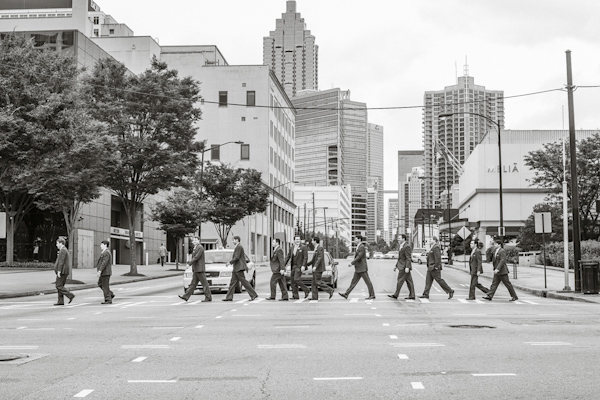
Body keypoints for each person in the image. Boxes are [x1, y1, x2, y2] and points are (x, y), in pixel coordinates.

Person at [339, 235, 375, 299]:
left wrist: (352, 263)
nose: (354, 240)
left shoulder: (361, 247)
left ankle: (372, 295)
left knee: (368, 282)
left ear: (359, 240)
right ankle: (346, 294)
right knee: (353, 282)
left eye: (355, 239)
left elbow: (359, 257)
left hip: (362, 268)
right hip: (358, 268)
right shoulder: (359, 247)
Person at [223, 236, 258, 301]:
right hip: (236, 268)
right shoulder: (238, 247)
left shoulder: (239, 247)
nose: (233, 241)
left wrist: (229, 262)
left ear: (237, 240)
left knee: (244, 282)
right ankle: (229, 297)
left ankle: (253, 294)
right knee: (232, 283)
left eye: (233, 240)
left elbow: (237, 257)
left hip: (239, 268)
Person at [179, 236, 212, 302]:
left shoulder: (200, 247)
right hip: (196, 269)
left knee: (204, 284)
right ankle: (186, 296)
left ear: (199, 240)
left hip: (199, 269)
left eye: (196, 240)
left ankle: (208, 297)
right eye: (193, 240)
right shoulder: (195, 247)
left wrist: (189, 264)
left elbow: (196, 257)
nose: (194, 241)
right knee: (193, 284)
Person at [388, 234, 415, 300]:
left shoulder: (406, 246)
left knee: (400, 280)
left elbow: (408, 258)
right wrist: (396, 266)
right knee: (409, 281)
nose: (398, 239)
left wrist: (407, 267)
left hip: (404, 267)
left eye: (399, 238)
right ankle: (412, 295)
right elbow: (400, 258)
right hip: (402, 266)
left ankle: (396, 295)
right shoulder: (401, 246)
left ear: (403, 239)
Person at [54, 238, 74, 306]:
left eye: (57, 243)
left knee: (58, 285)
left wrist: (59, 271)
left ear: (61, 243)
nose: (56, 245)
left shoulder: (63, 250)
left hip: (62, 271)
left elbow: (61, 262)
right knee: (60, 285)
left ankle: (70, 295)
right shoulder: (63, 250)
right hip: (63, 271)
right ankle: (60, 300)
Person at [96, 240, 114, 304]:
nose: (100, 246)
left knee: (104, 286)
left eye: (101, 244)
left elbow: (104, 263)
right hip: (104, 272)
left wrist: (100, 271)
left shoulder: (106, 252)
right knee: (100, 284)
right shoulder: (104, 252)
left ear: (105, 245)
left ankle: (108, 299)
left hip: (105, 272)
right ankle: (110, 294)